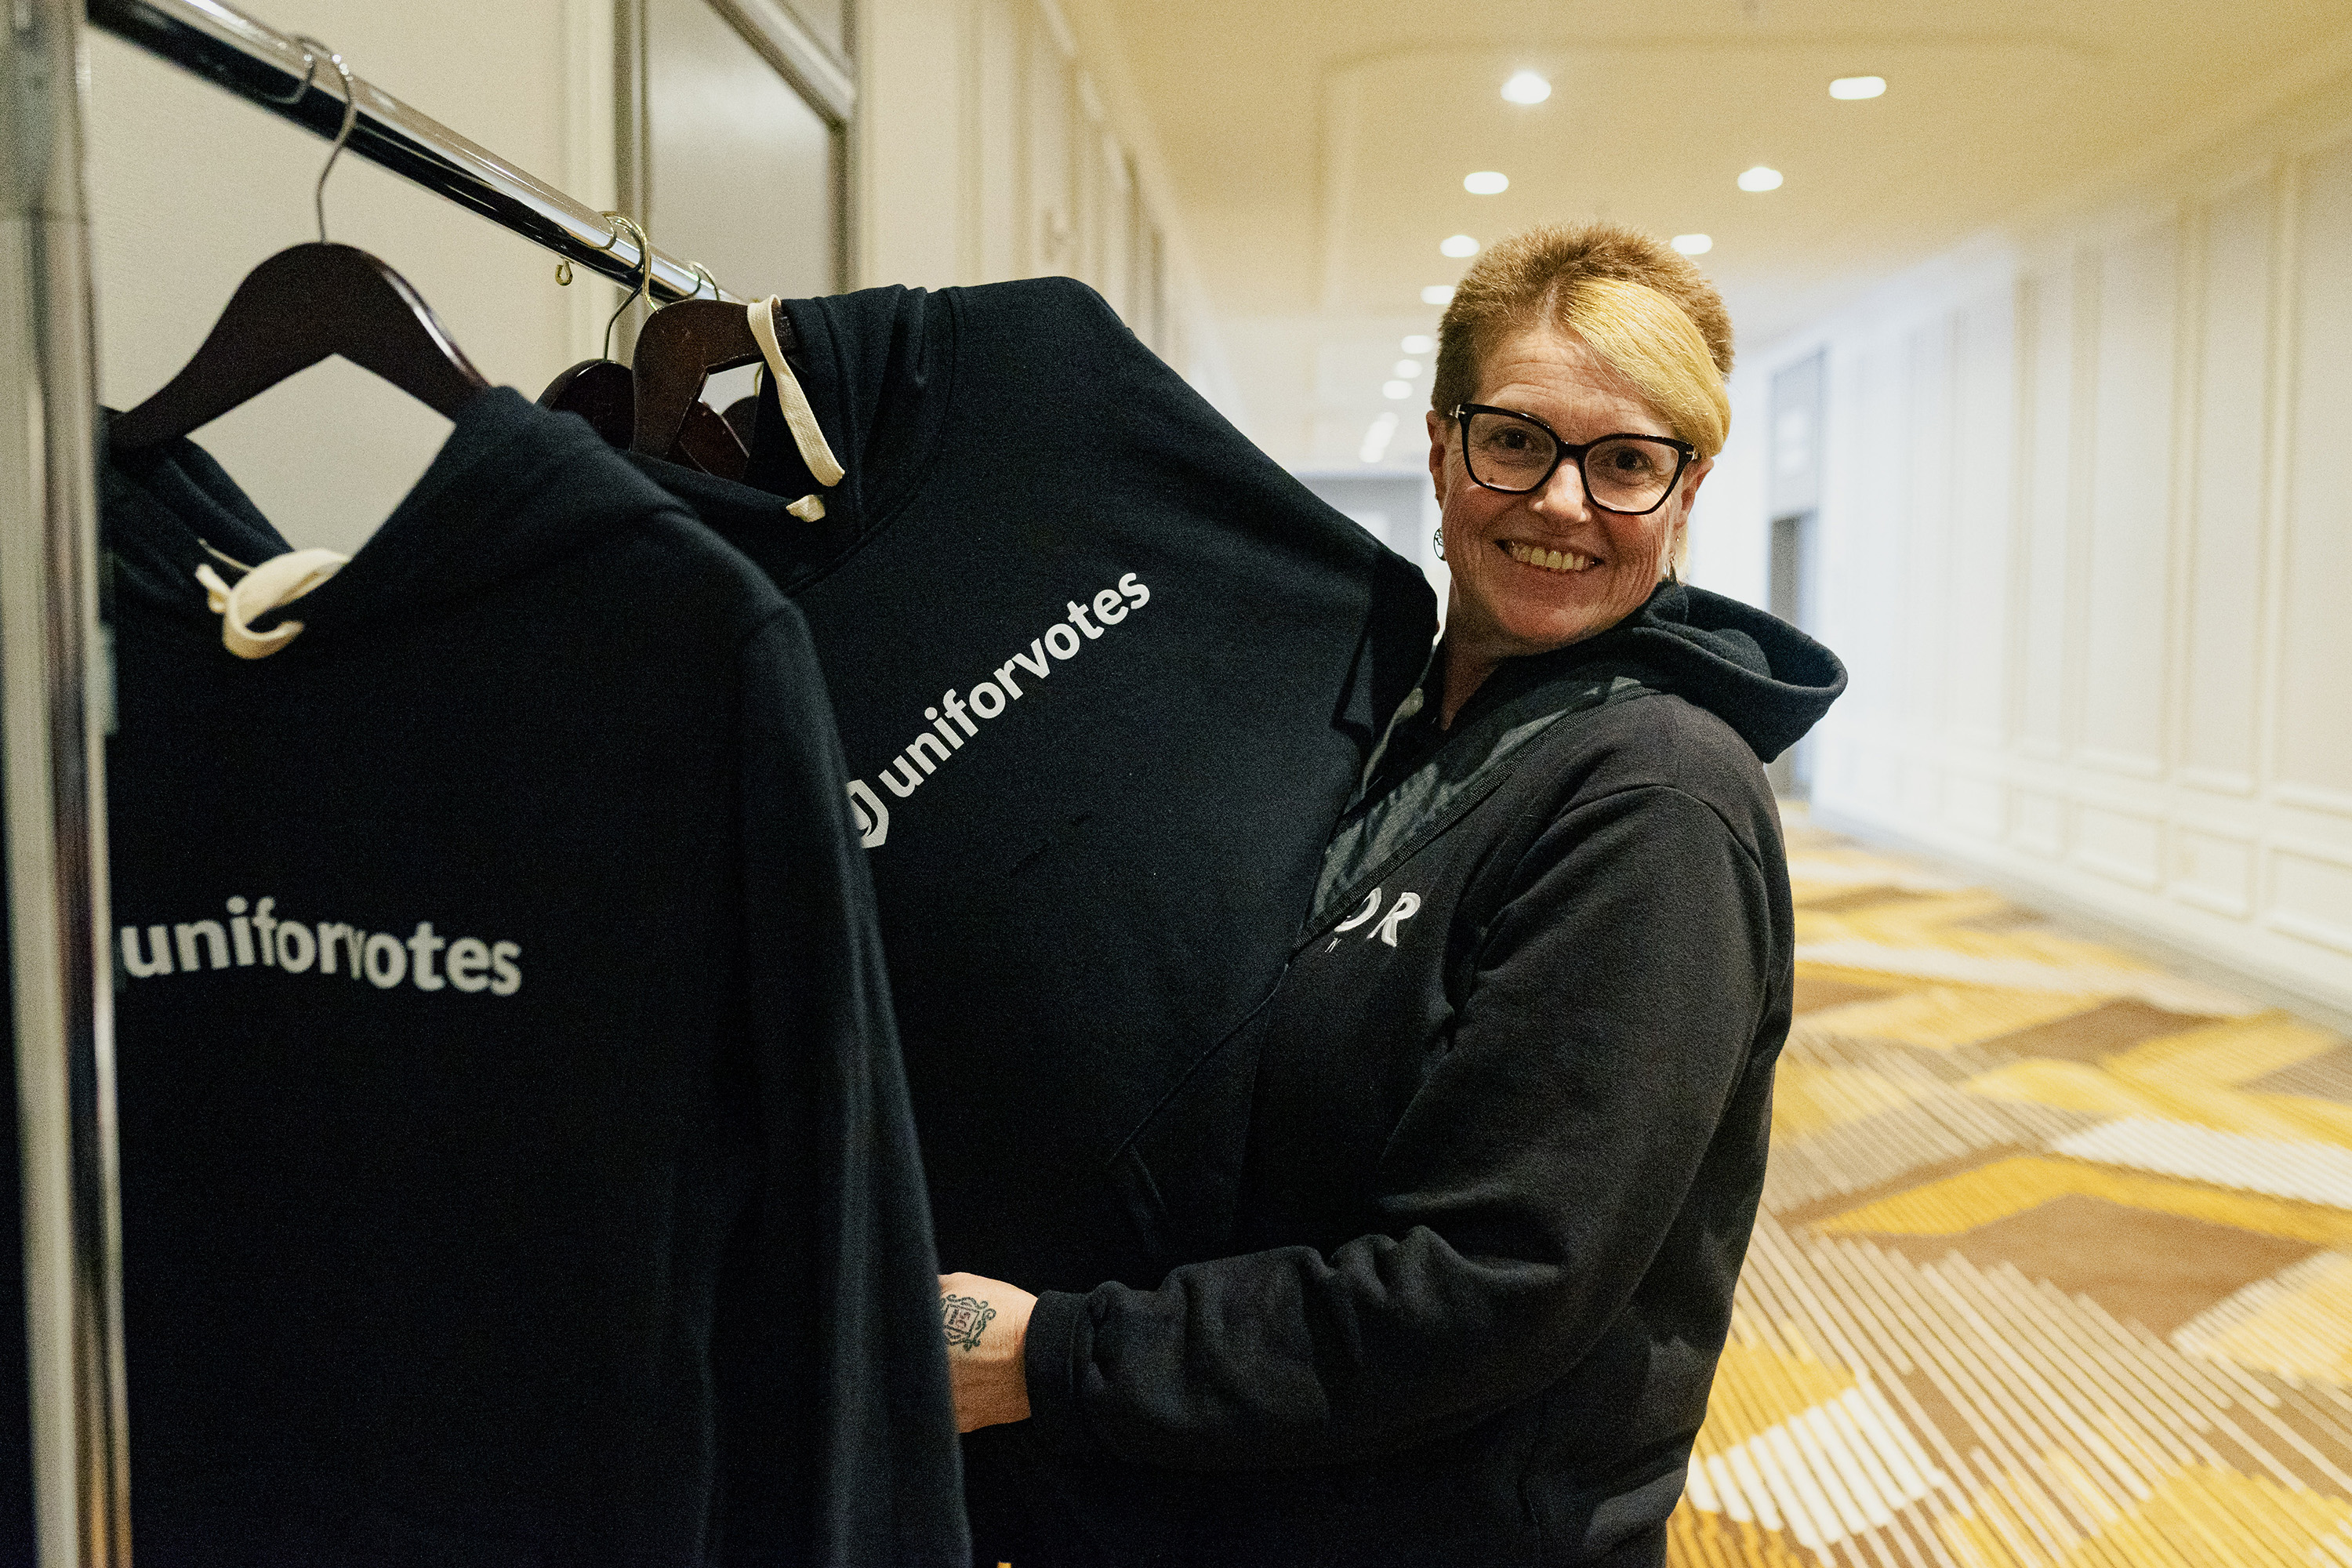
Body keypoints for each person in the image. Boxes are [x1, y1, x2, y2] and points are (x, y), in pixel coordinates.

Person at [935, 222, 1846, 1567]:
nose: (1563, 503)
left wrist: (1059, 1358)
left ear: (1686, 489)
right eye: (1518, 441)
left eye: (1628, 463)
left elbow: (1487, 1286)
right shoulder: (1379, 729)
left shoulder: (1656, 801)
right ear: (1441, 449)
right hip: (1231, 1488)